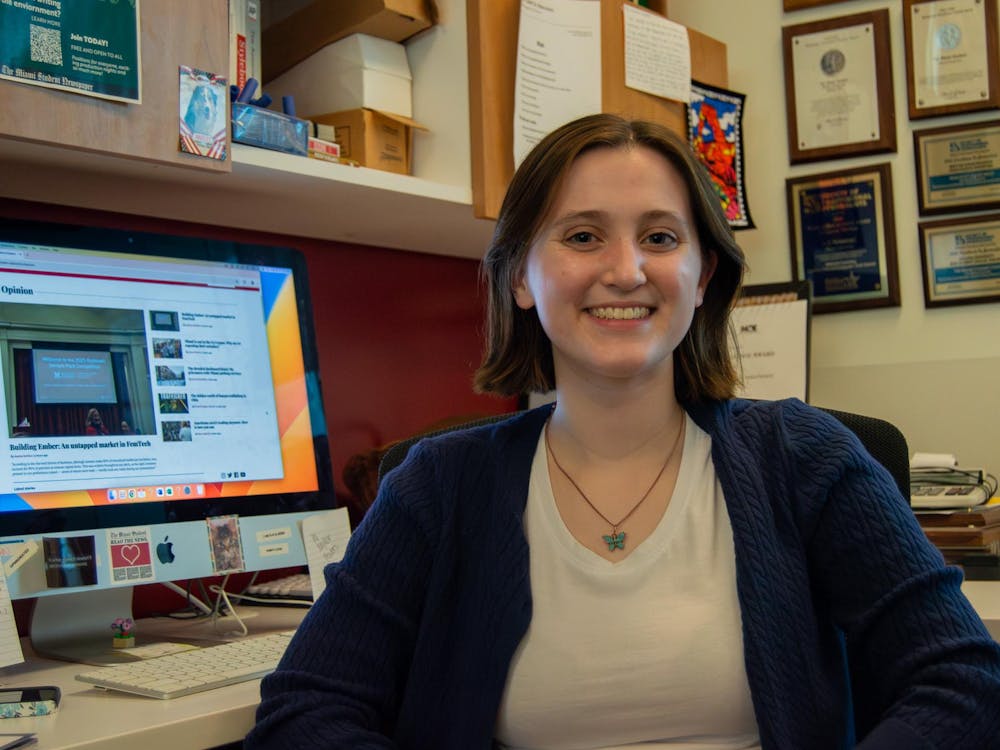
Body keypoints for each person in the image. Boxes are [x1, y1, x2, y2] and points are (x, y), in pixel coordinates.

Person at [245, 114, 1000, 749]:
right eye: (581, 236)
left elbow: (965, 679)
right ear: (520, 277)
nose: (627, 269)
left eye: (662, 238)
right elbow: (304, 709)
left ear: (702, 276)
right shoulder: (439, 486)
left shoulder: (804, 459)